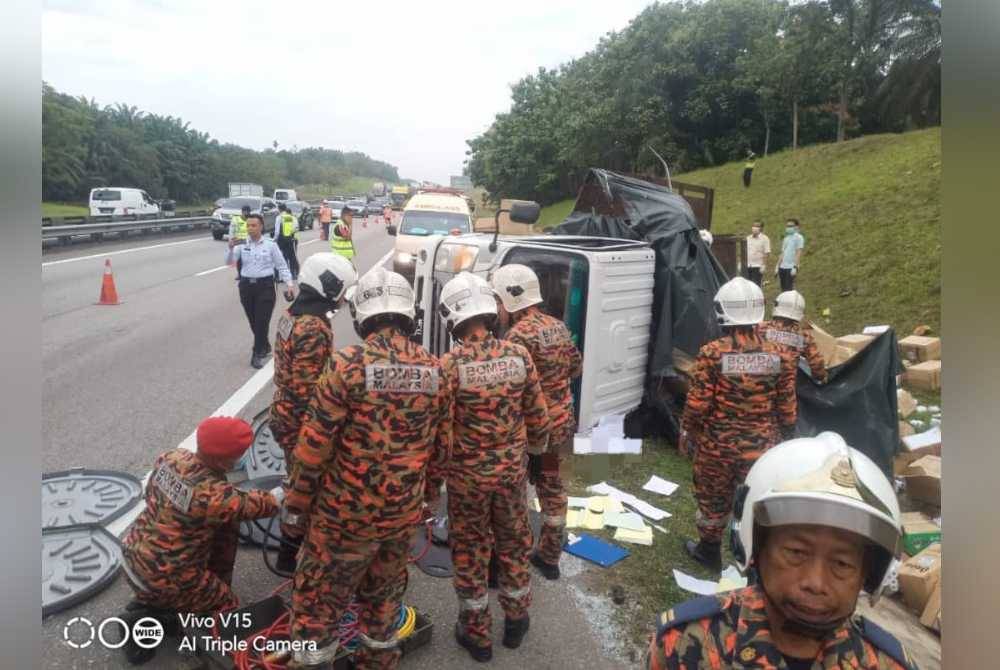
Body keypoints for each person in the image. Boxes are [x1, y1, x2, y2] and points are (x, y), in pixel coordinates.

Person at [281, 266, 451, 669]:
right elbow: (442, 449)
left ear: (361, 315)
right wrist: (425, 497)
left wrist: (296, 506)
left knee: (316, 609)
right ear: (409, 315)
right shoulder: (435, 370)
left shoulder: (347, 365)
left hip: (343, 519)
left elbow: (313, 448)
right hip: (400, 518)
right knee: (383, 603)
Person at [645, 432, 918, 670]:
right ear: (757, 550)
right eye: (796, 552)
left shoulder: (886, 665)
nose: (815, 582)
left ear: (867, 575)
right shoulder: (684, 646)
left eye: (842, 563)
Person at [437, 271, 551, 662]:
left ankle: (477, 634)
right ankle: (517, 620)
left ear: (452, 316)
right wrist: (533, 457)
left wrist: (435, 481)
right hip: (510, 477)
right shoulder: (518, 355)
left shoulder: (450, 365)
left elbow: (442, 432)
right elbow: (538, 415)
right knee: (514, 545)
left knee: (469, 552)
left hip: (467, 482)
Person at [120, 417, 282, 664]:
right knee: (227, 605)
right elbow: (260, 504)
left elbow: (152, 493)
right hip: (164, 575)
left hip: (133, 552)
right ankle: (156, 624)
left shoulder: (172, 458)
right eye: (239, 454)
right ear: (221, 460)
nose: (243, 458)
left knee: (222, 531)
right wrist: (283, 494)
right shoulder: (214, 497)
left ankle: (162, 601)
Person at [680, 277, 797, 572]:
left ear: (723, 311)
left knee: (712, 499)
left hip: (717, 447)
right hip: (761, 448)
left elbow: (698, 405)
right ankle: (756, 560)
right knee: (757, 502)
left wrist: (687, 432)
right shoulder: (781, 355)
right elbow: (787, 408)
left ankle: (709, 550)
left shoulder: (712, 353)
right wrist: (785, 438)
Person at [490, 264, 582, 581]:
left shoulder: (516, 337)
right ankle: (549, 557)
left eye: (499, 302)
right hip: (563, 423)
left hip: (532, 429)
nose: (497, 310)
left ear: (511, 300)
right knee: (554, 490)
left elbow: (511, 388)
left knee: (515, 494)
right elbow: (576, 368)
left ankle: (509, 558)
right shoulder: (556, 326)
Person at [269, 253, 358, 573]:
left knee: (297, 484)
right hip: (300, 422)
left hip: (283, 412)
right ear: (328, 284)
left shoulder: (292, 314)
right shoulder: (313, 326)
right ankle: (293, 555)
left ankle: (290, 551)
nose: (344, 297)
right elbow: (309, 391)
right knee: (305, 489)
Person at [225, 214, 296, 369]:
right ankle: (264, 345)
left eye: (253, 225)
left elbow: (282, 265)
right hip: (246, 287)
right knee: (253, 321)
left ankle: (256, 353)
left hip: (266, 287)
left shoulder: (271, 245)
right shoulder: (241, 244)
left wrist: (289, 284)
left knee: (262, 320)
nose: (250, 228)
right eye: (248, 226)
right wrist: (230, 249)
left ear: (261, 227)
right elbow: (229, 262)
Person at [761, 290, 828, 382]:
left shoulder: (760, 328)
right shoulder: (803, 337)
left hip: (756, 386)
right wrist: (822, 376)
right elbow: (817, 364)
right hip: (785, 390)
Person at [777, 218, 805, 291]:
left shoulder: (799, 237)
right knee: (783, 289)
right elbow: (782, 252)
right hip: (782, 266)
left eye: (791, 226)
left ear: (796, 227)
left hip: (791, 267)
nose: (788, 227)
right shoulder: (786, 238)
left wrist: (795, 267)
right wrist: (777, 266)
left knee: (788, 288)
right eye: (787, 226)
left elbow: (798, 252)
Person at [275, 203, 301, 279]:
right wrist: (290, 233)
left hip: (281, 240)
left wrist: (275, 240)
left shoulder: (279, 217)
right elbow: (296, 228)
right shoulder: (292, 217)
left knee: (282, 257)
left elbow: (277, 231)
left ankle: (282, 276)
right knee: (292, 257)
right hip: (291, 239)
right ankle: (294, 274)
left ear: (279, 209)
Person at [745, 221, 771, 287]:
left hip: (757, 266)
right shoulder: (748, 238)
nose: (754, 228)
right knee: (747, 285)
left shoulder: (765, 239)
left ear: (761, 228)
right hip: (748, 265)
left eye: (757, 226)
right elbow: (745, 251)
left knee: (756, 285)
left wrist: (764, 265)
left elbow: (766, 253)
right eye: (753, 226)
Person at [229, 204, 251, 279]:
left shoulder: (251, 220)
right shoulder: (235, 219)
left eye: (248, 212)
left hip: (248, 242)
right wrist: (230, 240)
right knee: (238, 259)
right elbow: (231, 231)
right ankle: (239, 274)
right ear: (242, 212)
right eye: (245, 212)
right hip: (238, 242)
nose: (246, 214)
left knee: (246, 259)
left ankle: (247, 273)